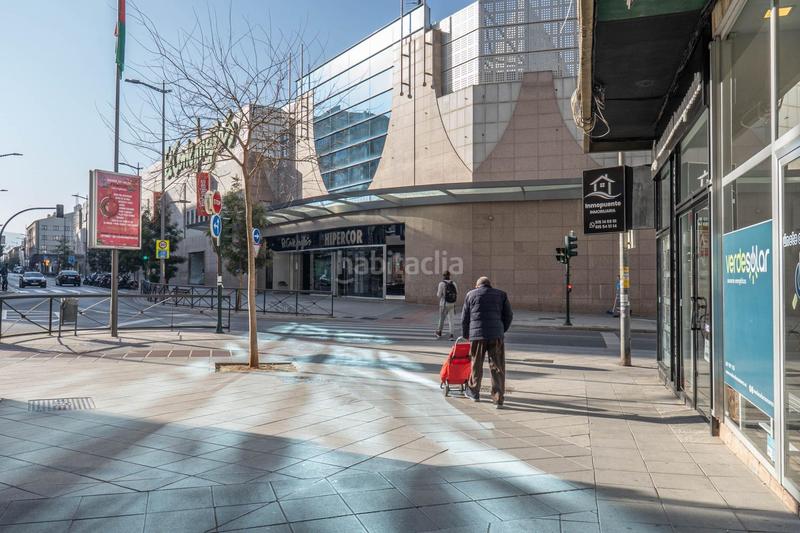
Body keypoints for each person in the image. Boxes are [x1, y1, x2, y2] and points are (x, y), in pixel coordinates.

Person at [461, 276, 513, 408]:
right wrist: (502, 329)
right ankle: (498, 398)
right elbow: (508, 315)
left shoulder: (470, 295)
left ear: (477, 285)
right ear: (489, 285)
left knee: (476, 364)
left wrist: (467, 335)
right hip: (496, 336)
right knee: (497, 367)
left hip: (477, 336)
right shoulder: (501, 294)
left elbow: (464, 318)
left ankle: (474, 393)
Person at [435, 271, 458, 340]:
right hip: (452, 304)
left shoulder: (441, 284)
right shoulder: (453, 283)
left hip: (444, 304)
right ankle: (451, 335)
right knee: (451, 320)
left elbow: (439, 295)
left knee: (442, 319)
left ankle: (439, 332)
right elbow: (457, 292)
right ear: (449, 275)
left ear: (443, 276)